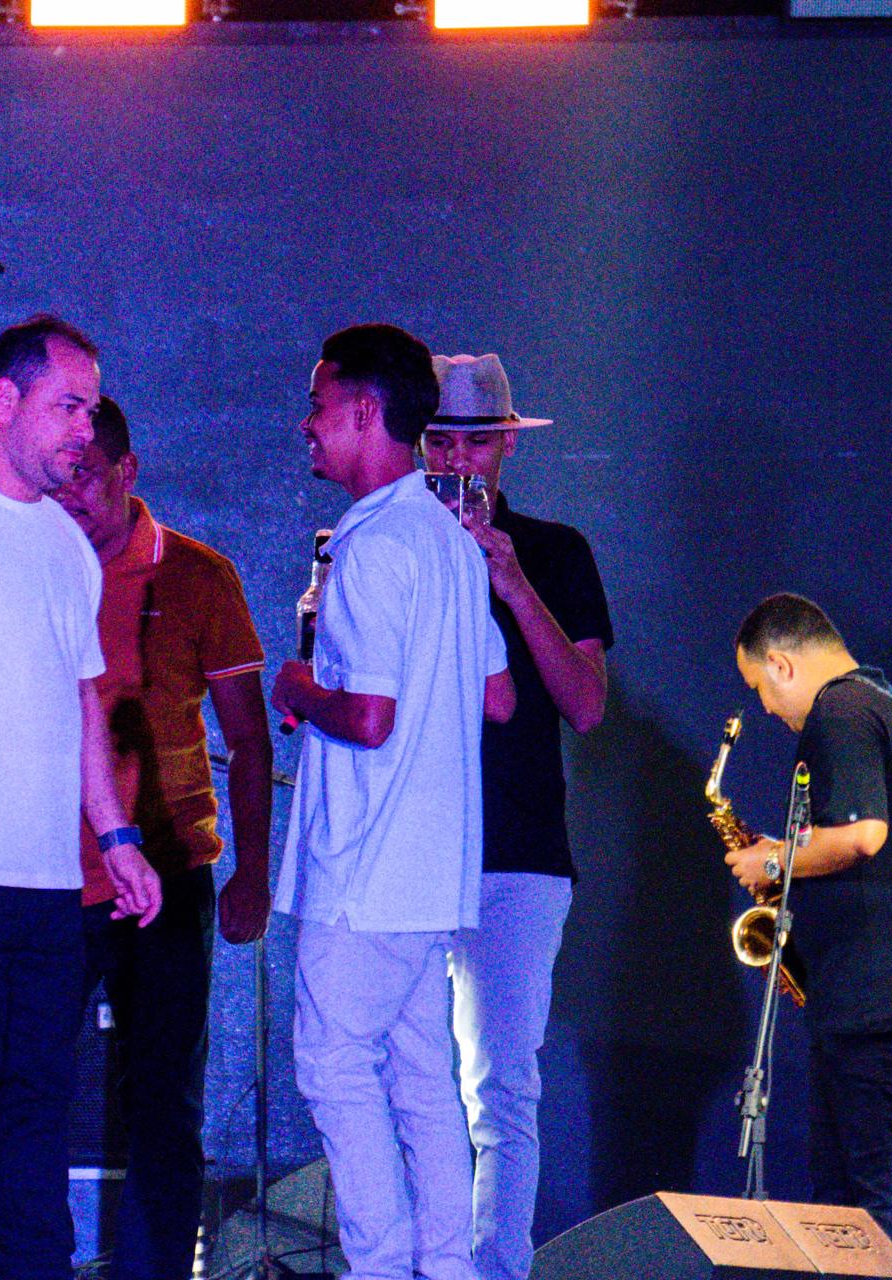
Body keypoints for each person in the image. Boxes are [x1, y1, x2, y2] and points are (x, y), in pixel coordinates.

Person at [0, 317, 162, 1280]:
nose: (85, 432)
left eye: (91, 411)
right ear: (4, 401)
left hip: (53, 884)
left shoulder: (66, 544)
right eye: (68, 407)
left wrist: (118, 837)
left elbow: (83, 698)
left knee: (42, 1101)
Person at [272, 323, 515, 1280]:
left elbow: (370, 719)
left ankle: (379, 1266)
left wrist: (299, 689)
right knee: (421, 1082)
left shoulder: (373, 546)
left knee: (333, 1067)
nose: (308, 424)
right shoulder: (450, 542)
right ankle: (445, 1269)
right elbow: (497, 695)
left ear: (365, 412)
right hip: (430, 867)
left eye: (319, 406)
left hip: (366, 869)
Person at [48, 393, 272, 1280]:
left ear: (127, 471)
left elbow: (249, 739)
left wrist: (252, 872)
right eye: (57, 477)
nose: (69, 495)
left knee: (165, 1100)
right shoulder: (30, 561)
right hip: (46, 871)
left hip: (171, 871)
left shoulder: (197, 575)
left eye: (86, 477)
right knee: (23, 1087)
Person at [422, 353, 611, 1280]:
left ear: (507, 447)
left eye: (476, 443)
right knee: (410, 1086)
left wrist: (513, 583)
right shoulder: (388, 544)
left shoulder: (557, 551)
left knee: (502, 1086)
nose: (458, 461)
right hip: (412, 852)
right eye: (440, 441)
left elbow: (586, 704)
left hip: (520, 853)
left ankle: (496, 1271)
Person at [727, 593, 892, 1280]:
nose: (767, 709)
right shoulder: (882, 705)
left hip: (884, 996)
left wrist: (773, 861)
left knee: (881, 1202)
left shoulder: (839, 710)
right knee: (847, 1205)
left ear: (781, 663)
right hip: (888, 994)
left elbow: (865, 835)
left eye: (759, 687)